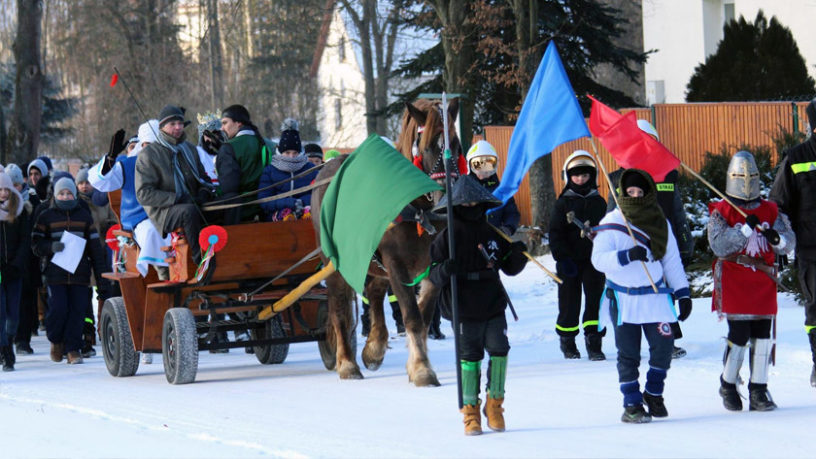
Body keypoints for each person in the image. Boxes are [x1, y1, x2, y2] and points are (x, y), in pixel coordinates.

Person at [428, 175, 528, 436]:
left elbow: (509, 267)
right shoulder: (446, 237)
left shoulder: (492, 232)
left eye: (474, 203)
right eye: (465, 204)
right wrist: (444, 270)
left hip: (492, 300)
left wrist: (518, 255)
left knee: (500, 350)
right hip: (463, 304)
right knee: (470, 357)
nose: (470, 207)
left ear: (483, 204)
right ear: (455, 206)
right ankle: (470, 412)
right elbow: (433, 274)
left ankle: (495, 406)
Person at [591, 169, 691, 424]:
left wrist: (683, 292)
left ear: (648, 194)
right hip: (624, 299)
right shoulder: (611, 222)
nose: (635, 196)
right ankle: (632, 403)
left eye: (640, 192)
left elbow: (671, 261)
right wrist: (625, 256)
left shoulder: (660, 221)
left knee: (664, 347)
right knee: (629, 354)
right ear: (623, 193)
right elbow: (598, 259)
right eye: (630, 192)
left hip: (655, 296)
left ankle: (654, 392)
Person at [709, 150, 795, 412]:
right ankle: (728, 383)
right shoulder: (722, 211)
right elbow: (719, 246)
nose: (746, 181)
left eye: (750, 176)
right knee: (739, 334)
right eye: (740, 176)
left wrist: (777, 239)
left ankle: (758, 389)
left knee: (762, 335)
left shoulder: (770, 209)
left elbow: (788, 241)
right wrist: (744, 230)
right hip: (735, 277)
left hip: (763, 279)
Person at [607, 120, 694, 359]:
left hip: (662, 245)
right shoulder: (618, 179)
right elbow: (611, 216)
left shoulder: (667, 176)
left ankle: (667, 341)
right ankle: (631, 343)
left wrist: (685, 243)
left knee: (663, 294)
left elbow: (677, 212)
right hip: (632, 248)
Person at [31, 177, 111, 364]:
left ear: (74, 195)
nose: (66, 196)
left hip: (80, 273)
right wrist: (51, 247)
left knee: (77, 311)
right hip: (55, 274)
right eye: (62, 193)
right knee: (58, 309)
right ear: (56, 195)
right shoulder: (46, 216)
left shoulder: (83, 216)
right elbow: (35, 244)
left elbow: (95, 249)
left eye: (69, 193)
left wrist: (101, 278)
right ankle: (56, 341)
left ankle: (73, 349)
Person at [770, 97, 816, 387]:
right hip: (812, 250)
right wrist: (780, 242)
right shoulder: (797, 158)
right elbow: (778, 204)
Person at [91, 120, 172, 279]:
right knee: (152, 231)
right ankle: (164, 271)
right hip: (139, 218)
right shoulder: (128, 164)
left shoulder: (170, 160)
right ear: (142, 145)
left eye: (156, 144)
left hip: (168, 213)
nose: (151, 149)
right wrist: (111, 158)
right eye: (147, 144)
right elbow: (100, 181)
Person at [135, 105, 215, 264]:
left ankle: (227, 253)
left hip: (193, 201)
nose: (178, 127)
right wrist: (178, 197)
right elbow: (144, 194)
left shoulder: (190, 149)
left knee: (223, 203)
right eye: (172, 124)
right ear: (161, 127)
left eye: (180, 123)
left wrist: (204, 192)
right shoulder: (149, 155)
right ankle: (200, 260)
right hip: (165, 211)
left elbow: (203, 177)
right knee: (189, 212)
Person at [549, 150, 608, 360]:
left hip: (594, 260)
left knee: (595, 300)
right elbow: (555, 233)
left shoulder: (599, 202)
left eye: (585, 175)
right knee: (569, 302)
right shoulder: (562, 203)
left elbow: (607, 228)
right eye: (576, 175)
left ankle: (594, 341)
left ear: (592, 176)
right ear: (568, 176)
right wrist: (562, 258)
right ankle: (568, 341)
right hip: (569, 261)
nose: (581, 179)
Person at [5, 164, 38, 354]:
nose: (14, 189)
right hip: (7, 262)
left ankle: (22, 340)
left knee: (26, 301)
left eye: (17, 184)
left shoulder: (31, 201)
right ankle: (7, 340)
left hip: (28, 259)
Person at [258, 119, 318, 222]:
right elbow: (264, 200)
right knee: (285, 216)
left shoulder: (310, 169)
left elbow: (318, 192)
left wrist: (301, 202)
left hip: (305, 211)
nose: (291, 157)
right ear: (280, 152)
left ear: (300, 152)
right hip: (277, 216)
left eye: (295, 153)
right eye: (287, 152)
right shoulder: (270, 171)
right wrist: (289, 203)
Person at [216, 104, 269, 223]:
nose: (222, 128)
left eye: (225, 123)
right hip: (262, 206)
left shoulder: (229, 147)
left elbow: (228, 187)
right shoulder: (265, 143)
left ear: (238, 123)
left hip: (238, 211)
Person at [0, 171, 31, 370]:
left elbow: (25, 241)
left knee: (13, 314)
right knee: (1, 312)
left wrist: (16, 264)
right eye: (0, 189)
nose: (3, 193)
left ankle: (9, 339)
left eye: (6, 189)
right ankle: (5, 351)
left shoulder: (20, 210)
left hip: (15, 270)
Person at [466, 141, 520, 236]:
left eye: (488, 165)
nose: (483, 171)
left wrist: (508, 228)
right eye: (478, 166)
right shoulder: (464, 190)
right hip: (470, 238)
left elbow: (512, 213)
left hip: (495, 237)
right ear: (470, 167)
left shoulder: (501, 190)